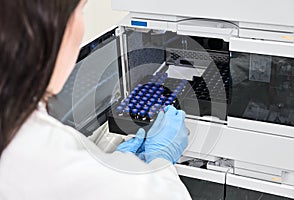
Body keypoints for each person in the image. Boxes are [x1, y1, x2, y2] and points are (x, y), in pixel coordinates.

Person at [0, 0, 191, 199]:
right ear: (47, 29)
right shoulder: (42, 154)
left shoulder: (21, 128)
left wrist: (114, 163)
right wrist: (161, 160)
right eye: (80, 11)